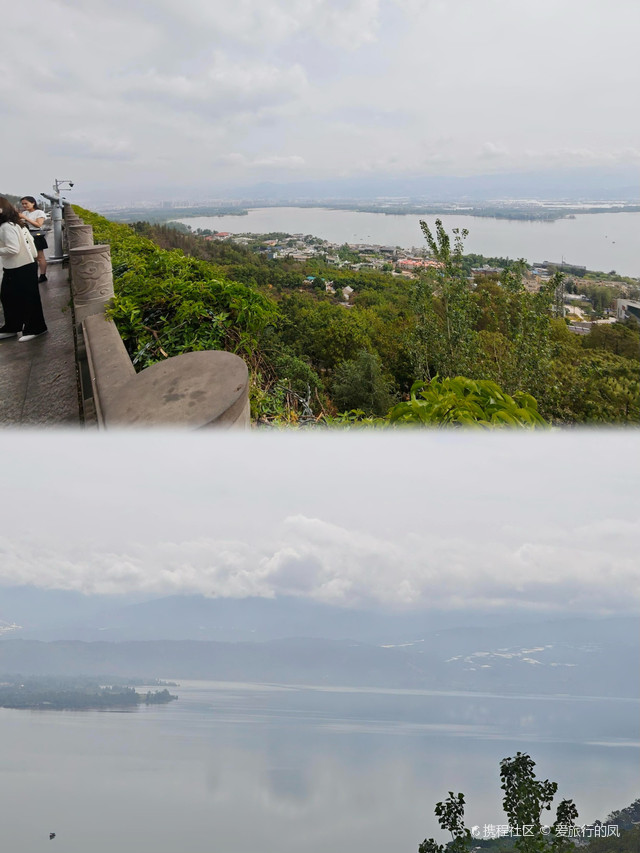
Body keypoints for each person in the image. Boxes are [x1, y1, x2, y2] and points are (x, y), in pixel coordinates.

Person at [0, 196, 48, 341]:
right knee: (9, 297)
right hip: (17, 266)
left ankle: (36, 328)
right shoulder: (12, 223)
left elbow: (13, 249)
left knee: (28, 299)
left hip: (21, 266)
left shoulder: (6, 226)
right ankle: (12, 327)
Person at [19, 195, 48, 282]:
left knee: (40, 257)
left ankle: (43, 275)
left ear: (33, 203)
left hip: (36, 235)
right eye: (23, 204)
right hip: (26, 234)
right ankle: (33, 276)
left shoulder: (39, 212)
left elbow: (38, 224)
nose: (24, 206)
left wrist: (25, 218)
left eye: (26, 203)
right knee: (31, 257)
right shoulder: (24, 213)